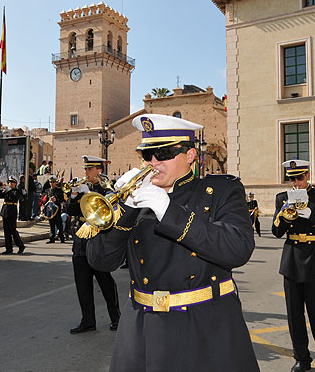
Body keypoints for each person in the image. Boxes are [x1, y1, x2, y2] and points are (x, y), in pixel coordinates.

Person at [86, 114, 258, 372]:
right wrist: (125, 208)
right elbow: (101, 260)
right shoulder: (136, 199)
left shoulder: (221, 191)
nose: (153, 162)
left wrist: (168, 210)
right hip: (141, 328)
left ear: (189, 155)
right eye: (147, 155)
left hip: (204, 326)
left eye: (163, 153)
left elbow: (238, 248)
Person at [272, 160, 315, 372]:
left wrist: (312, 215)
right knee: (294, 313)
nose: (296, 182)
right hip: (292, 259)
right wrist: (283, 213)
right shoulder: (282, 198)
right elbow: (276, 232)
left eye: (299, 178)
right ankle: (301, 357)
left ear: (308, 175)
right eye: (291, 178)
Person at [67, 155, 120, 334]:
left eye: (90, 169)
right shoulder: (82, 189)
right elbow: (70, 210)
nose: (86, 173)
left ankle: (116, 318)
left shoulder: (107, 189)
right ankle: (88, 320)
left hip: (99, 239)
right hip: (81, 240)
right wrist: (74, 194)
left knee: (105, 281)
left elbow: (112, 211)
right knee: (82, 283)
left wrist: (91, 194)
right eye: (85, 169)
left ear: (99, 170)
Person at [0, 176, 26, 254]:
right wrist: (1, 189)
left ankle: (20, 246)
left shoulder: (17, 191)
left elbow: (14, 197)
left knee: (13, 230)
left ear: (15, 183)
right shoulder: (6, 191)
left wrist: (9, 190)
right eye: (9, 182)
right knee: (6, 231)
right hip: (5, 211)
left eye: (12, 182)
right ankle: (8, 248)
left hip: (12, 211)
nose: (10, 184)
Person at [44, 176, 66, 243]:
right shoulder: (48, 191)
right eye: (50, 182)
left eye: (53, 182)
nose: (52, 183)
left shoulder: (59, 190)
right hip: (50, 210)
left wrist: (56, 200)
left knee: (59, 224)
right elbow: (46, 200)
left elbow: (62, 199)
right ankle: (52, 238)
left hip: (57, 209)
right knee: (51, 224)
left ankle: (62, 237)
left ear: (56, 182)